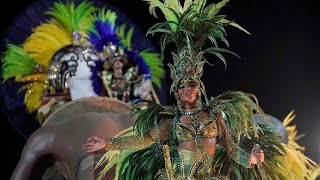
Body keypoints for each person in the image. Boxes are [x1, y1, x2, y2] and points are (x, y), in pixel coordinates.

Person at [83, 0, 317, 179]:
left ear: (199, 87)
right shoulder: (172, 123)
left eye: (191, 84)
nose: (187, 88)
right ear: (176, 90)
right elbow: (143, 140)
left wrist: (252, 159)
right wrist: (108, 143)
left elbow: (232, 149)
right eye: (182, 85)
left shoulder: (214, 117)